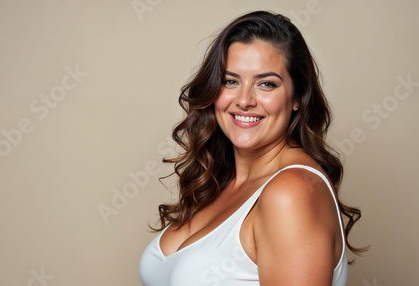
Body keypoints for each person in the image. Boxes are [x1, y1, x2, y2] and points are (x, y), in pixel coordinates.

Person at [139, 10, 365, 286]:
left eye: (266, 84)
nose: (244, 100)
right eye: (230, 81)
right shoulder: (220, 181)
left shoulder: (292, 191)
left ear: (297, 97)